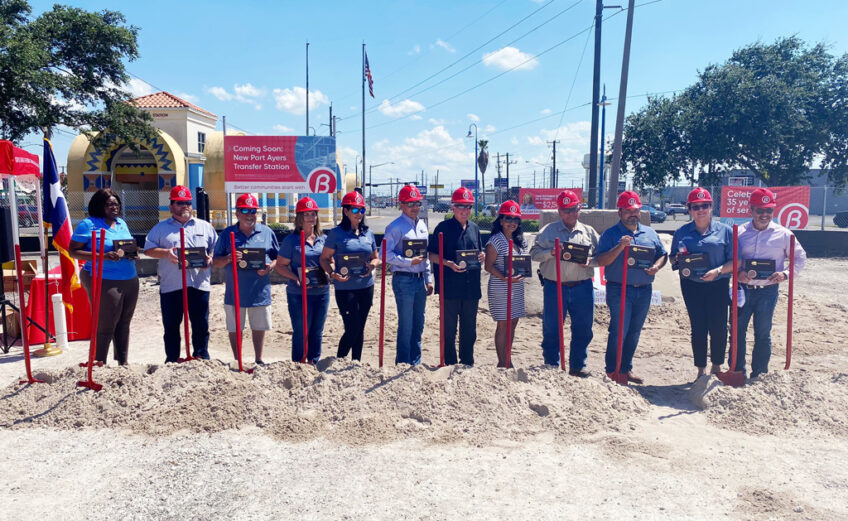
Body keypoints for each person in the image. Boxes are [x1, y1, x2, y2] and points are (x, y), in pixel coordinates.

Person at [596, 191, 667, 383]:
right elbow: (601, 260)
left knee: (635, 330)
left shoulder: (650, 233)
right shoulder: (611, 234)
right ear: (620, 213)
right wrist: (619, 247)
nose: (632, 214)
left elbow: (662, 254)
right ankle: (612, 370)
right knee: (620, 329)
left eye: (635, 210)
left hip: (644, 289)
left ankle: (626, 369)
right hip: (619, 289)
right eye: (628, 211)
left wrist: (656, 266)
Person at [736, 187, 806, 379]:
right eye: (760, 210)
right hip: (743, 290)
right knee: (737, 331)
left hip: (767, 292)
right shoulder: (739, 233)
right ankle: (737, 371)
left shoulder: (784, 235)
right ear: (751, 210)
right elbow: (730, 259)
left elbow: (800, 258)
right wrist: (737, 273)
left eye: (769, 210)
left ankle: (759, 374)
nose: (764, 214)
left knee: (763, 334)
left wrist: (785, 274)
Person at [143, 185, 217, 363]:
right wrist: (166, 253)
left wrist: (210, 259)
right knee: (171, 326)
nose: (184, 206)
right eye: (179, 203)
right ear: (171, 206)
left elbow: (215, 248)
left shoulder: (205, 226)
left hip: (198, 284)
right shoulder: (160, 229)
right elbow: (148, 250)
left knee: (200, 324)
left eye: (187, 203)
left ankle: (201, 356)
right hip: (171, 285)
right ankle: (172, 359)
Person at [529, 190, 599, 376]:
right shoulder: (548, 232)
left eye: (573, 209)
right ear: (559, 212)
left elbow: (602, 256)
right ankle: (552, 365)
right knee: (552, 327)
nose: (570, 213)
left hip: (582, 286)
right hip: (555, 286)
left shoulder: (589, 232)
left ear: (579, 208)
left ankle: (578, 365)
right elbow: (534, 254)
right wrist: (551, 252)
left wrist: (590, 261)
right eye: (566, 210)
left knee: (583, 328)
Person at [669, 187, 736, 379]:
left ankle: (716, 366)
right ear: (689, 209)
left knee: (719, 326)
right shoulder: (682, 232)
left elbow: (735, 261)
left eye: (705, 206)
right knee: (698, 327)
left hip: (718, 284)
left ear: (711, 207)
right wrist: (680, 259)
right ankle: (700, 369)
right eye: (696, 206)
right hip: (692, 285)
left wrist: (718, 271)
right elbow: (673, 258)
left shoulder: (725, 232)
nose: (701, 210)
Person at [68, 188, 139, 365]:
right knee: (106, 322)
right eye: (109, 204)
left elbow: (125, 245)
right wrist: (103, 256)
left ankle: (123, 362)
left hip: (130, 278)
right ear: (100, 205)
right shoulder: (88, 224)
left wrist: (132, 253)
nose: (114, 207)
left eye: (116, 204)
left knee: (124, 321)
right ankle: (99, 362)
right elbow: (73, 251)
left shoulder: (122, 223)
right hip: (104, 278)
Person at [212, 193, 278, 365]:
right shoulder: (227, 234)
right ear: (237, 213)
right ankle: (237, 359)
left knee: (259, 327)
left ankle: (258, 359)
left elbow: (277, 258)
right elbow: (215, 261)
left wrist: (270, 267)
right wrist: (229, 258)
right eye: (245, 210)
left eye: (253, 211)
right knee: (235, 328)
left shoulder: (267, 232)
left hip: (259, 290)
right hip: (235, 291)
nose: (250, 215)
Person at [320, 191, 380, 361]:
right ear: (345, 211)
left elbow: (376, 258)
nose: (359, 214)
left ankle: (356, 363)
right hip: (346, 288)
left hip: (366, 286)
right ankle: (339, 360)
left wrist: (372, 265)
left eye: (361, 210)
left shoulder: (368, 233)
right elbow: (324, 258)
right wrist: (332, 274)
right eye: (354, 210)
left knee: (360, 327)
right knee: (352, 327)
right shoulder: (336, 233)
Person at [428, 187, 485, 366]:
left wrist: (481, 257)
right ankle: (449, 362)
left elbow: (478, 252)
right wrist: (448, 264)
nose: (464, 210)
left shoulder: (474, 228)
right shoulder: (442, 228)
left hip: (471, 287)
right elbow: (431, 255)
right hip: (450, 287)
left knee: (469, 329)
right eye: (461, 206)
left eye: (468, 207)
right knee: (449, 329)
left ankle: (467, 362)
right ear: (453, 207)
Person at [275, 197, 330, 364]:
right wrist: (295, 278)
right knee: (301, 330)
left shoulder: (323, 238)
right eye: (307, 214)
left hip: (321, 291)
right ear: (300, 217)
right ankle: (299, 362)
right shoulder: (291, 241)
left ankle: (314, 361)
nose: (311, 218)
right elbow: (280, 265)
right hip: (298, 293)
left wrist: (329, 271)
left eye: (313, 214)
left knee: (317, 330)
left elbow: (330, 260)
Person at [384, 185, 433, 365]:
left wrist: (429, 278)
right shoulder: (395, 227)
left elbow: (425, 254)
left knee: (418, 324)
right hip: (403, 280)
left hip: (420, 281)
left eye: (417, 203)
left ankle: (416, 362)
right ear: (402, 205)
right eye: (410, 203)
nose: (414, 207)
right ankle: (403, 363)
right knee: (406, 325)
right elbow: (385, 254)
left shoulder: (422, 226)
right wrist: (407, 262)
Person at [484, 200, 526, 368]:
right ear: (501, 220)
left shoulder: (519, 241)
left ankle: (508, 358)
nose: (512, 223)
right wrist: (504, 278)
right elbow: (488, 266)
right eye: (508, 218)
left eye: (515, 219)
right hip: (501, 287)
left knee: (513, 322)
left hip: (516, 287)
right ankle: (502, 362)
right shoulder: (496, 240)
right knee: (503, 323)